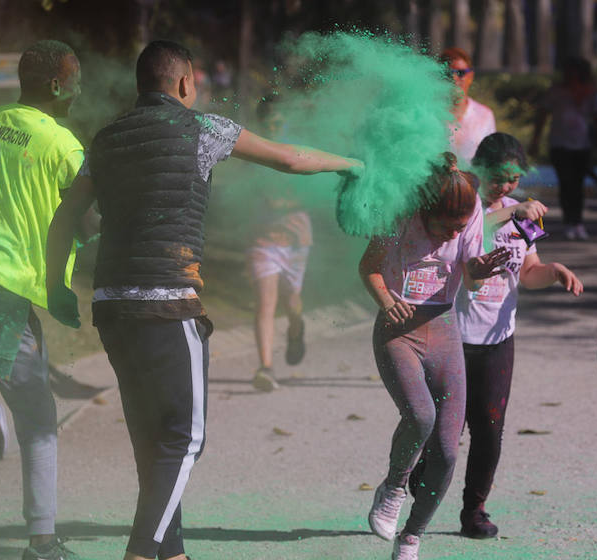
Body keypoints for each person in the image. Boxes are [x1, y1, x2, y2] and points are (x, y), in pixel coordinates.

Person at [45, 40, 362, 560]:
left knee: (153, 440)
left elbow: (64, 220)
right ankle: (142, 553)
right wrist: (350, 162)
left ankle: (171, 552)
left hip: (111, 306)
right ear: (186, 84)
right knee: (184, 440)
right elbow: (289, 159)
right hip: (168, 304)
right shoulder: (204, 129)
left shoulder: (105, 139)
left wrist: (57, 287)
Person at [0, 39, 86, 560]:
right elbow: (88, 218)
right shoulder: (63, 146)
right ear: (57, 85)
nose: (79, 92)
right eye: (76, 80)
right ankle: (42, 541)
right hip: (2, 292)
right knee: (37, 417)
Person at [361, 153, 510, 560]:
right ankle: (393, 485)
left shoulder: (472, 209)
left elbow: (470, 273)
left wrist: (481, 267)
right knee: (421, 415)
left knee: (446, 449)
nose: (452, 235)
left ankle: (412, 536)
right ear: (426, 213)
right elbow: (368, 267)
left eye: (460, 228)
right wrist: (387, 301)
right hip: (398, 329)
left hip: (444, 328)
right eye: (446, 228)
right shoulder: (401, 214)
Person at [451, 132, 583, 538]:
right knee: (441, 432)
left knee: (489, 430)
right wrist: (513, 212)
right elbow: (463, 235)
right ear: (479, 167)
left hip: (497, 341)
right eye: (499, 176)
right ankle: (412, 499)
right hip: (450, 337)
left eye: (513, 179)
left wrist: (554, 270)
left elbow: (528, 271)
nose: (506, 185)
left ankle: (474, 511)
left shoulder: (520, 213)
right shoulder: (459, 203)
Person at [530, 57, 597, 240]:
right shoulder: (556, 92)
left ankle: (578, 222)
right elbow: (542, 115)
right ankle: (569, 221)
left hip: (582, 145)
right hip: (560, 144)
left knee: (578, 185)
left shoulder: (590, 93)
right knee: (566, 183)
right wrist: (536, 140)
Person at [248, 193, 313, 392]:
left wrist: (284, 202)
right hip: (264, 243)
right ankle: (266, 367)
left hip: (296, 242)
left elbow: (314, 196)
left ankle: (296, 327)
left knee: (292, 303)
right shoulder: (256, 168)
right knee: (265, 304)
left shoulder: (301, 176)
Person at [439, 47, 496, 163]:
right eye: (447, 73)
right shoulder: (429, 113)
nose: (454, 78)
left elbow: (491, 160)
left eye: (460, 73)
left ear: (470, 77)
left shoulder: (485, 115)